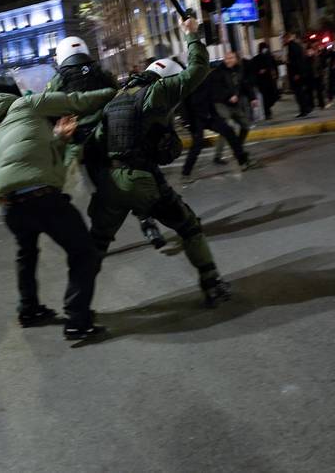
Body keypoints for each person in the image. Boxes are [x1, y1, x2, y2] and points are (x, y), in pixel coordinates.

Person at [88, 17, 232, 309]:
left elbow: (96, 144)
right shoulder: (161, 91)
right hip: (143, 180)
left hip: (111, 184)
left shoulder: (117, 98)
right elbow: (198, 69)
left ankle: (78, 311)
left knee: (95, 247)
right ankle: (212, 283)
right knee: (189, 226)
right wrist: (191, 35)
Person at [0, 75, 115, 341]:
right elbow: (77, 102)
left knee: (26, 252)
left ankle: (29, 309)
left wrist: (60, 139)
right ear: (13, 93)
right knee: (84, 252)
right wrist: (114, 90)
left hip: (10, 205)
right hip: (42, 198)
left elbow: (31, 155)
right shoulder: (27, 105)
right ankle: (77, 320)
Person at [46, 36, 165, 249]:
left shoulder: (58, 81)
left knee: (102, 190)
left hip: (87, 144)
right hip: (114, 135)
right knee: (128, 177)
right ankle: (147, 222)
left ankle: (98, 241)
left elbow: (51, 108)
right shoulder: (102, 73)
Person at [210, 51, 253, 163]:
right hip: (221, 104)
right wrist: (228, 96)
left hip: (234, 104)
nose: (228, 60)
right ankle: (217, 157)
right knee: (227, 128)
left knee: (246, 125)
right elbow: (216, 89)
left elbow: (244, 84)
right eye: (226, 58)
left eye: (231, 58)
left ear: (235, 59)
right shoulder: (218, 72)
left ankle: (237, 148)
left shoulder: (239, 69)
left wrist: (253, 98)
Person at [248, 42, 279, 120]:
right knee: (265, 97)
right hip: (262, 81)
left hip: (270, 80)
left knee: (272, 96)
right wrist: (260, 71)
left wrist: (275, 75)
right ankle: (267, 113)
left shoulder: (269, 57)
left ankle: (268, 110)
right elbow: (253, 70)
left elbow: (274, 67)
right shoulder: (256, 59)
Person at [284, 32, 311, 117]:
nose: (283, 41)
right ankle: (305, 108)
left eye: (284, 39)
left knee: (299, 93)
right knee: (301, 92)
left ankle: (304, 109)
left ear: (287, 38)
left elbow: (296, 61)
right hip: (299, 73)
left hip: (296, 74)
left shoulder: (292, 47)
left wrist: (296, 73)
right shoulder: (296, 45)